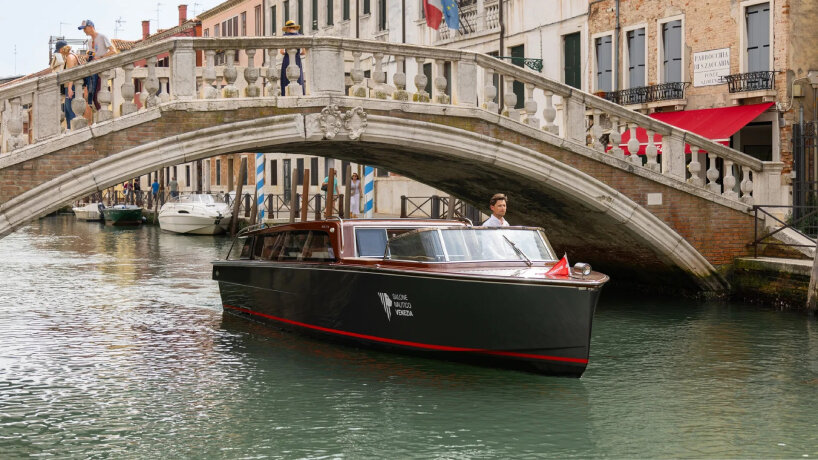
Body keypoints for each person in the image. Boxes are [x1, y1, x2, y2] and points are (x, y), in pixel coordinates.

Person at [78, 20, 117, 119]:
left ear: (90, 27)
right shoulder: (90, 41)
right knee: (92, 94)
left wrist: (101, 57)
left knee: (97, 95)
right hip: (93, 71)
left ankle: (103, 117)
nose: (84, 31)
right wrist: (88, 56)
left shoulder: (102, 37)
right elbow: (92, 54)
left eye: (85, 29)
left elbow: (113, 51)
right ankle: (100, 116)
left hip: (101, 71)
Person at [52, 40, 79, 130]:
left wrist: (70, 88)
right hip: (69, 87)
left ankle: (72, 131)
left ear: (62, 49)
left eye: (59, 51)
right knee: (67, 111)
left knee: (70, 110)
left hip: (71, 87)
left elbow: (71, 74)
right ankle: (69, 129)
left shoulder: (70, 57)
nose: (59, 53)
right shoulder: (70, 56)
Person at [279, 20, 305, 95]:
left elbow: (281, 51)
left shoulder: (284, 36)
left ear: (287, 28)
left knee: (286, 77)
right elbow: (304, 52)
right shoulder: (300, 36)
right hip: (297, 59)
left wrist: (287, 53)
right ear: (294, 27)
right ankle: (300, 93)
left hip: (287, 59)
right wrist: (297, 54)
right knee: (298, 77)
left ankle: (285, 94)